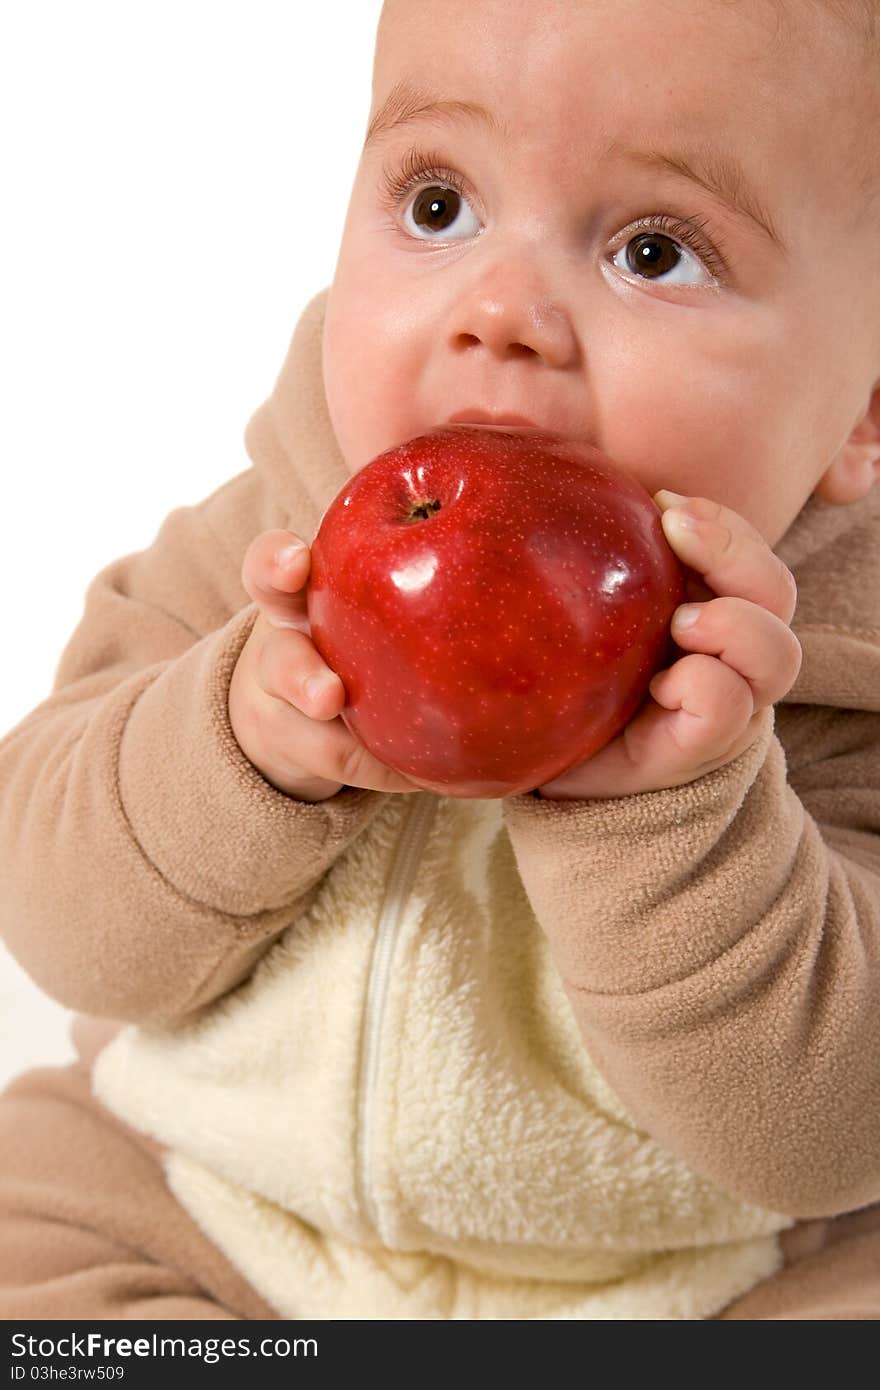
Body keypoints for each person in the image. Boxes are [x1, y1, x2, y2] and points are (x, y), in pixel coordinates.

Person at [1, 0, 879, 1320]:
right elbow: (57, 920)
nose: (504, 312)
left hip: (696, 1283)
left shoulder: (838, 673)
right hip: (220, 1209)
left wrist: (678, 822)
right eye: (437, 205)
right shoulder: (270, 549)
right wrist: (235, 747)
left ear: (866, 409)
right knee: (33, 1221)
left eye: (654, 247)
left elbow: (826, 1133)